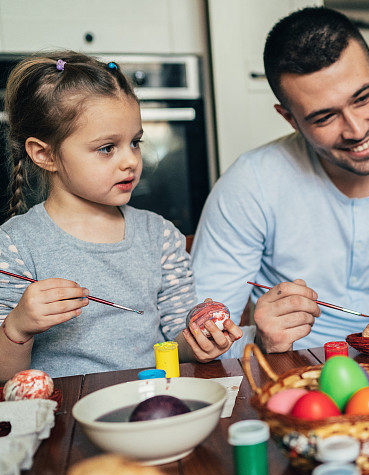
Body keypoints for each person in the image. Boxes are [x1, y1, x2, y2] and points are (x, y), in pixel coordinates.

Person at [191, 7, 369, 353]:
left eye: (363, 97)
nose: (357, 130)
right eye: (324, 117)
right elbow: (199, 335)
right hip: (297, 369)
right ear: (290, 118)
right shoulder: (248, 184)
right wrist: (259, 337)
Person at [0, 52, 242, 380]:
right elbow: (4, 375)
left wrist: (200, 340)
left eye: (135, 142)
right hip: (65, 417)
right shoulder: (14, 245)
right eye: (107, 148)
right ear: (44, 154)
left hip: (153, 399)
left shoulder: (160, 236)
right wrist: (18, 325)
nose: (130, 161)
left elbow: (176, 341)